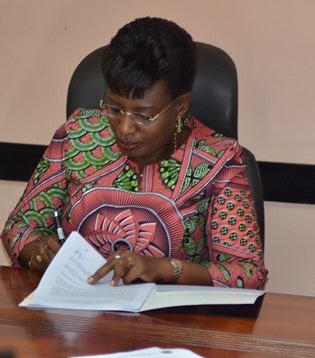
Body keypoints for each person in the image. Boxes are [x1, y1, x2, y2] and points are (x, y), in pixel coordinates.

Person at [2, 17, 267, 289]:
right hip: (76, 316)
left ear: (180, 106)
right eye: (115, 109)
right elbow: (18, 227)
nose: (125, 128)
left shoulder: (219, 159)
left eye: (143, 116)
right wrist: (36, 250)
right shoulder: (78, 134)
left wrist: (164, 269)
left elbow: (247, 273)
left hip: (172, 324)